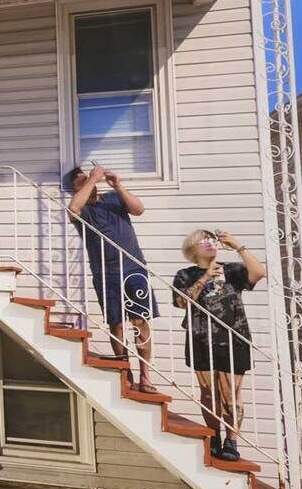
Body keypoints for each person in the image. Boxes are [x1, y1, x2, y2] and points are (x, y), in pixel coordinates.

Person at [172, 228, 268, 462]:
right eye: (205, 240)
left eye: (213, 240)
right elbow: (180, 302)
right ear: (194, 248)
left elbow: (259, 273)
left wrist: (237, 245)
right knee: (208, 394)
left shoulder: (232, 270)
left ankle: (231, 442)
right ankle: (214, 436)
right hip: (200, 339)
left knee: (230, 395)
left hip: (234, 339)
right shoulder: (185, 274)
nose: (211, 243)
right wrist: (205, 278)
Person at [64, 163, 154, 390]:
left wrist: (117, 184)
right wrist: (93, 179)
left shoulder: (114, 198)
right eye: (81, 182)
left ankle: (145, 377)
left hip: (134, 268)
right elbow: (72, 210)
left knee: (140, 322)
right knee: (117, 325)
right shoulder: (81, 209)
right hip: (106, 274)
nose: (88, 182)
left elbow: (139, 209)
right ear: (74, 189)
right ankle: (126, 372)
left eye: (88, 178)